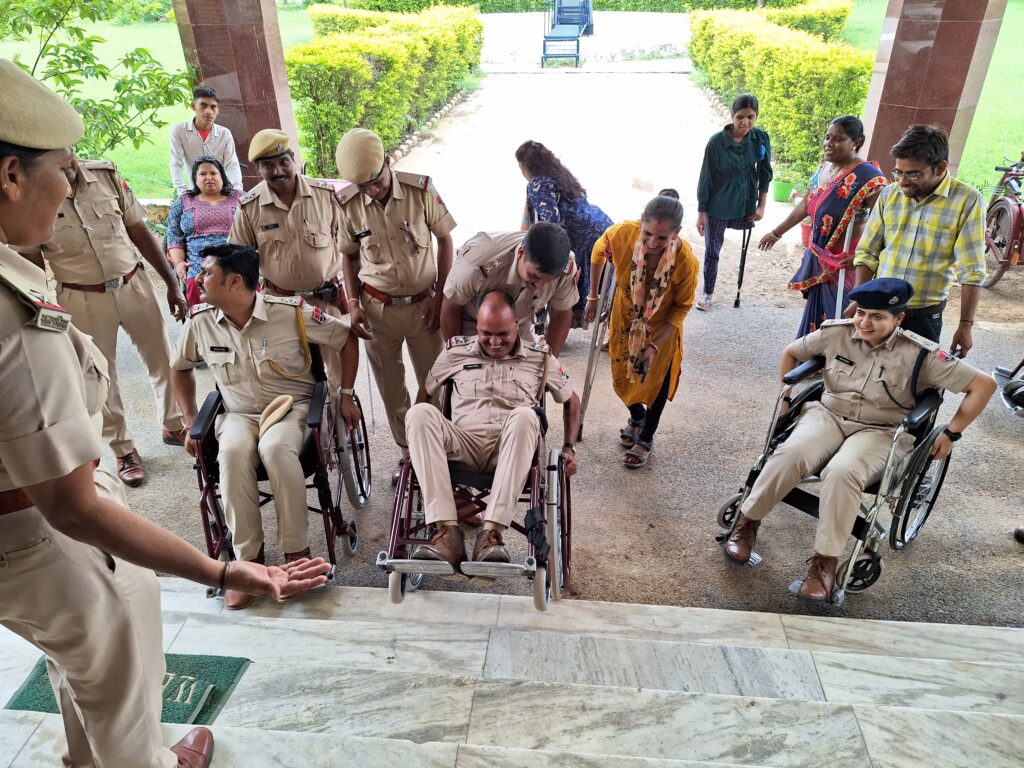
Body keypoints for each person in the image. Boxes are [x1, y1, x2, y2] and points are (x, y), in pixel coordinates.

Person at [0, 58, 329, 768]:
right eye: (61, 168)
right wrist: (223, 572)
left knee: (84, 662)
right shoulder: (12, 313)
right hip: (35, 533)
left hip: (35, 524)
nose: (68, 186)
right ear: (10, 177)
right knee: (116, 679)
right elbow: (74, 508)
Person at [725, 278, 996, 601]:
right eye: (862, 313)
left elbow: (984, 385)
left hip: (880, 430)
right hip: (828, 416)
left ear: (898, 319)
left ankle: (824, 563)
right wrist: (786, 399)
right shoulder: (836, 333)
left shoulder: (921, 355)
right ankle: (747, 525)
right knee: (789, 454)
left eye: (878, 317)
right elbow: (791, 353)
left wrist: (952, 432)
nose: (865, 323)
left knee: (842, 472)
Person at [170, 243, 364, 610]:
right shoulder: (200, 321)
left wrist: (347, 394)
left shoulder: (290, 313)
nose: (199, 278)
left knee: (274, 449)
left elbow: (345, 339)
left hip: (291, 407)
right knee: (229, 452)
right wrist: (189, 419)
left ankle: (296, 555)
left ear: (235, 282)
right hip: (240, 414)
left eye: (207, 273)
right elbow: (178, 368)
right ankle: (247, 564)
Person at [17, 152, 189, 487]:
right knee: (101, 374)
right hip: (81, 296)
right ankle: (123, 448)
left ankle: (172, 423)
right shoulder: (35, 190)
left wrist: (171, 283)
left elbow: (138, 228)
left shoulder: (106, 176)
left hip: (132, 283)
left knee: (163, 358)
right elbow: (32, 258)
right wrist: (45, 310)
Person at [406, 290, 579, 570]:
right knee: (419, 414)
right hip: (462, 443)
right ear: (477, 327)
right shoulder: (455, 352)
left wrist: (570, 448)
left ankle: (491, 534)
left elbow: (572, 400)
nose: (495, 342)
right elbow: (425, 394)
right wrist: (420, 442)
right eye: (487, 333)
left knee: (526, 416)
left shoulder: (541, 358)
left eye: (503, 334)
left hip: (509, 448)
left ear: (516, 325)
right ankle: (447, 533)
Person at [334, 128, 456, 486]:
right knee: (391, 385)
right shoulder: (347, 204)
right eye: (364, 187)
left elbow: (445, 239)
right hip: (377, 310)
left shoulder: (421, 190)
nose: (373, 190)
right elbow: (348, 257)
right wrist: (353, 304)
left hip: (424, 307)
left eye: (376, 181)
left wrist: (441, 296)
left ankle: (438, 449)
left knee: (434, 380)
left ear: (389, 161)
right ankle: (408, 453)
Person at [850, 124, 987, 356]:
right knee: (869, 379)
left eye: (913, 173)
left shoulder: (967, 200)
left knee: (917, 384)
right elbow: (867, 253)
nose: (903, 181)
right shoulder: (889, 195)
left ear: (940, 167)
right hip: (881, 311)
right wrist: (862, 301)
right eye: (898, 172)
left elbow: (972, 270)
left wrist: (965, 325)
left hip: (924, 316)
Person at [228, 128, 349, 388]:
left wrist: (350, 293)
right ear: (258, 169)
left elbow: (351, 248)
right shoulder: (250, 208)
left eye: (284, 161)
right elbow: (236, 262)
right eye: (268, 165)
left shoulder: (324, 195)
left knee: (339, 381)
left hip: (327, 301)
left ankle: (342, 423)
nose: (278, 171)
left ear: (294, 159)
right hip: (281, 306)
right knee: (294, 380)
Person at [585, 190, 699, 467]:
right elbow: (598, 252)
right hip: (626, 318)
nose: (652, 242)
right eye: (647, 233)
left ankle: (646, 436)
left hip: (663, 328)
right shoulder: (622, 234)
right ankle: (637, 416)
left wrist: (653, 346)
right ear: (641, 223)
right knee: (621, 376)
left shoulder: (685, 263)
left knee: (656, 381)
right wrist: (593, 296)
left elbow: (682, 306)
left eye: (662, 238)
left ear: (677, 233)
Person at [759, 116, 888, 336]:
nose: (829, 143)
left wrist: (861, 255)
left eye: (838, 139)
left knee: (841, 317)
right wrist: (776, 232)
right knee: (817, 317)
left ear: (856, 142)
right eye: (827, 137)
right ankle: (811, 359)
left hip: (845, 262)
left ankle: (836, 364)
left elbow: (883, 224)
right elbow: (806, 204)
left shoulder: (869, 178)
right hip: (819, 255)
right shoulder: (824, 169)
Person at [515, 140, 612, 329]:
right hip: (599, 227)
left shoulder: (538, 184)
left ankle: (545, 328)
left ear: (525, 166)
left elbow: (551, 224)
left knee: (550, 273)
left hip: (582, 238)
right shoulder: (558, 174)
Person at [441, 222, 578, 355]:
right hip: (474, 324)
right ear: (520, 253)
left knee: (528, 374)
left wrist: (550, 363)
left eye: (549, 281)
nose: (540, 286)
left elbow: (561, 315)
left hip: (521, 325)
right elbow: (451, 309)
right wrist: (456, 357)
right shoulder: (478, 263)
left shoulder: (565, 269)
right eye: (534, 276)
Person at [695, 93, 772, 311]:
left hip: (745, 202)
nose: (745, 122)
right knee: (712, 250)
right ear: (731, 116)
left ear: (756, 116)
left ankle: (732, 291)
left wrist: (761, 205)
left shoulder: (760, 138)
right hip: (718, 205)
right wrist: (702, 212)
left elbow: (765, 172)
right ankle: (707, 293)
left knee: (743, 246)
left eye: (750, 117)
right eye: (740, 117)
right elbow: (705, 177)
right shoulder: (716, 142)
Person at [167, 155, 243, 307]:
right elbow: (174, 235)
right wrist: (179, 263)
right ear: (195, 178)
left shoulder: (239, 197)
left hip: (236, 262)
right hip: (198, 266)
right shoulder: (185, 200)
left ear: (222, 176)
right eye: (203, 174)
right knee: (201, 308)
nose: (209, 177)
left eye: (213, 173)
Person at [169, 84, 242, 198]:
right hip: (195, 194)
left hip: (223, 193)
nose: (208, 111)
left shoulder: (224, 133)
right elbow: (176, 164)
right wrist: (182, 193)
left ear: (218, 110)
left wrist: (237, 191)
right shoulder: (179, 131)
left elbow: (232, 164)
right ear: (194, 106)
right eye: (203, 105)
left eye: (213, 107)